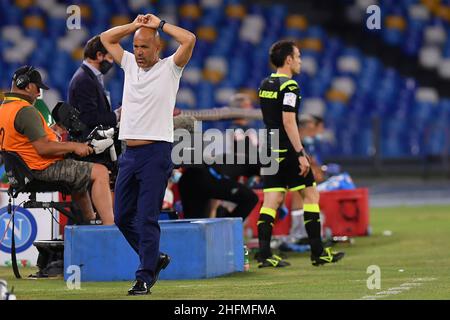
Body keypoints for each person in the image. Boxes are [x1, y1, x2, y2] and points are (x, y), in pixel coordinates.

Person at [100, 13, 196, 295]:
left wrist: (159, 25)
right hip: (129, 153)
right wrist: (136, 26)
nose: (139, 52)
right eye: (136, 46)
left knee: (147, 217)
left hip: (156, 152)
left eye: (145, 47)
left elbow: (189, 39)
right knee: (121, 217)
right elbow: (106, 38)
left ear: (158, 49)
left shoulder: (170, 69)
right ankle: (153, 258)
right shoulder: (129, 64)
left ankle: (144, 276)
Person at [257, 40, 344, 268]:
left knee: (272, 200)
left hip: (269, 148)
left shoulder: (265, 84)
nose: (300, 61)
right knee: (311, 195)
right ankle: (318, 252)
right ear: (288, 60)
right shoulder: (290, 87)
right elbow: (288, 120)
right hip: (286, 149)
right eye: (298, 57)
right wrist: (300, 153)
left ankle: (264, 254)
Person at [0, 66, 114, 225]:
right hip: (40, 169)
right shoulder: (25, 110)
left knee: (78, 175)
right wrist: (74, 146)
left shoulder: (4, 108)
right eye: (37, 88)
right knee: (100, 172)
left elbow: (23, 143)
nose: (38, 94)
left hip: (23, 172)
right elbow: (43, 148)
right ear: (26, 85)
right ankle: (110, 228)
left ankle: (90, 222)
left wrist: (54, 134)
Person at [68, 35, 120, 141]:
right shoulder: (84, 80)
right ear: (99, 55)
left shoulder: (89, 76)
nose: (111, 62)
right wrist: (117, 115)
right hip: (88, 146)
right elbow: (89, 118)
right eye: (110, 57)